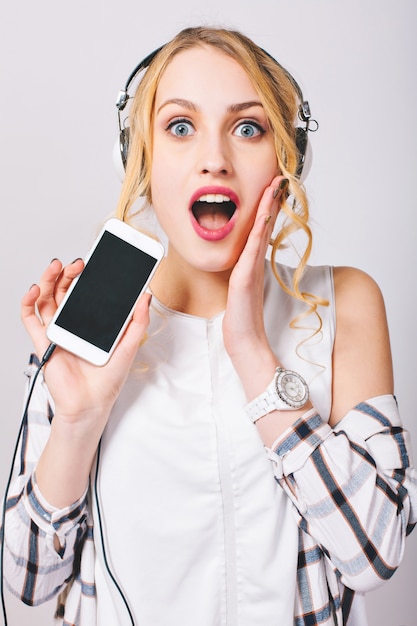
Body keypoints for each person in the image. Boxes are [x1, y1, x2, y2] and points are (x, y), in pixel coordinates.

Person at [2, 26, 417, 626]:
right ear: (141, 155)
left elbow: (376, 556)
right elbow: (27, 582)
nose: (214, 158)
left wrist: (251, 352)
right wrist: (77, 421)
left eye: (248, 128)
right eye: (179, 126)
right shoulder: (97, 318)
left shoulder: (343, 302)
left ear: (287, 157)